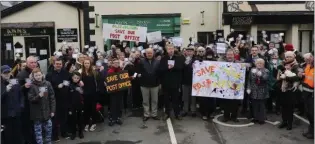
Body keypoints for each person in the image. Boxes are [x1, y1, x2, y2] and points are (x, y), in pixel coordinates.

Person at [45, 58, 71, 141]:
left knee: (64, 116)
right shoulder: (49, 74)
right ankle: (55, 135)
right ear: (54, 64)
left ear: (62, 64)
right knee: (55, 118)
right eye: (57, 64)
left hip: (64, 98)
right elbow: (47, 87)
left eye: (60, 64)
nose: (58, 65)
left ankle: (64, 133)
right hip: (54, 99)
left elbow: (70, 82)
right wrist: (56, 87)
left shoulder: (66, 73)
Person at [28, 68, 56, 144]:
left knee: (48, 131)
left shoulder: (48, 84)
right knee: (38, 133)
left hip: (47, 112)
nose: (38, 77)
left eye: (39, 75)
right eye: (36, 75)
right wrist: (38, 96)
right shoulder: (32, 86)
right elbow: (30, 99)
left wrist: (53, 110)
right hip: (37, 114)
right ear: (33, 76)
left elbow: (52, 98)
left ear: (42, 75)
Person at [16, 56, 38, 144]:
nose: (33, 64)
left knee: (34, 124)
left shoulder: (37, 72)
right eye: (31, 62)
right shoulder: (21, 74)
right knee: (27, 125)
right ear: (27, 63)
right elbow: (16, 90)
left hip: (36, 102)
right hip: (26, 104)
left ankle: (34, 140)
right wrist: (24, 87)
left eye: (34, 62)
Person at [159, 44, 184, 120]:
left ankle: (177, 114)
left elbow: (181, 67)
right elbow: (161, 69)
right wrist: (167, 67)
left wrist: (174, 67)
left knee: (175, 99)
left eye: (172, 48)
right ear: (166, 50)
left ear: (174, 49)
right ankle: (167, 113)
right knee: (166, 99)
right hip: (166, 83)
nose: (171, 50)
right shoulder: (163, 59)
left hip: (175, 83)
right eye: (169, 49)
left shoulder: (179, 58)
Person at [277, 51, 301, 130]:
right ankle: (284, 121)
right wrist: (280, 74)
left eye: (290, 56)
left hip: (291, 89)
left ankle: (289, 123)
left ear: (294, 57)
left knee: (290, 107)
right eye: (287, 57)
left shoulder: (297, 65)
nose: (288, 58)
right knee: (283, 106)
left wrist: (286, 77)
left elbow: (298, 78)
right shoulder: (283, 64)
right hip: (283, 88)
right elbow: (279, 75)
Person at [1, 65, 24, 144]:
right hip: (5, 115)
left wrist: (21, 105)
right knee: (8, 136)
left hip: (16, 113)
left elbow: (21, 95)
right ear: (1, 74)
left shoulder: (15, 81)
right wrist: (5, 91)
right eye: (5, 73)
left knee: (17, 134)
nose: (7, 74)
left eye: (8, 72)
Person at [138, 48, 161, 121]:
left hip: (155, 84)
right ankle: (146, 114)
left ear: (153, 53)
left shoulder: (158, 62)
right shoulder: (141, 61)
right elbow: (138, 72)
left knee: (155, 101)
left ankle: (154, 114)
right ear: (146, 54)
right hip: (144, 85)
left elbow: (159, 73)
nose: (149, 54)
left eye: (151, 53)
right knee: (145, 101)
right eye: (148, 53)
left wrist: (159, 83)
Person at [220, 49, 241, 122]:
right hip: (225, 86)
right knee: (226, 102)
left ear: (234, 55)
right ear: (226, 55)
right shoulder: (222, 63)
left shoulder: (239, 63)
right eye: (228, 55)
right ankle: (226, 116)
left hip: (236, 86)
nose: (229, 56)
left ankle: (234, 117)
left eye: (231, 55)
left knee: (235, 102)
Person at [247, 58, 269, 124]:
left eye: (261, 63)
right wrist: (248, 88)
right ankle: (256, 118)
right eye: (258, 63)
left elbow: (266, 78)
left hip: (262, 91)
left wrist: (261, 75)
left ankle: (262, 119)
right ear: (255, 64)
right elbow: (249, 80)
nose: (259, 64)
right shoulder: (252, 70)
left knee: (261, 106)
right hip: (254, 90)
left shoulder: (266, 70)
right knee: (255, 105)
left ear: (263, 64)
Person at [81, 58, 99, 132]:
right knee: (86, 109)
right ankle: (87, 124)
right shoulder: (81, 73)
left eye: (88, 63)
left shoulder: (94, 72)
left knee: (93, 109)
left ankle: (94, 123)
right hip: (85, 94)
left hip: (93, 93)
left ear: (90, 64)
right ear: (83, 64)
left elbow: (98, 81)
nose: (87, 64)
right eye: (85, 63)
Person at [300, 53, 314, 139]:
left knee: (312, 114)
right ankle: (310, 130)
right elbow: (305, 77)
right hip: (306, 93)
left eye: (308, 60)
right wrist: (301, 76)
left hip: (312, 94)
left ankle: (312, 133)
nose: (306, 61)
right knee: (308, 113)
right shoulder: (308, 66)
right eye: (305, 60)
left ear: (312, 57)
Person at [68, 72, 84, 140]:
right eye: (75, 78)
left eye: (78, 78)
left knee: (80, 119)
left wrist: (81, 88)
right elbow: (67, 97)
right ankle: (73, 133)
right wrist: (69, 108)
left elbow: (83, 93)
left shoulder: (80, 85)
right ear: (72, 78)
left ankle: (80, 132)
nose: (76, 79)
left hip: (80, 105)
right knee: (73, 119)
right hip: (72, 105)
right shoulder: (69, 85)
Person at [107, 58, 124, 126]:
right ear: (112, 64)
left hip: (119, 90)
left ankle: (118, 118)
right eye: (115, 63)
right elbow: (108, 81)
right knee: (113, 105)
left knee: (119, 104)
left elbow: (123, 79)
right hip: (113, 91)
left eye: (117, 62)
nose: (116, 64)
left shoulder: (121, 70)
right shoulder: (110, 71)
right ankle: (112, 118)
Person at [181, 46, 197, 117]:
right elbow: (181, 68)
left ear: (193, 52)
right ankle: (185, 110)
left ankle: (193, 111)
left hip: (194, 82)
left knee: (193, 98)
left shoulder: (196, 60)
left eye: (191, 51)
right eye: (188, 51)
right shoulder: (183, 60)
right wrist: (186, 62)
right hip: (185, 81)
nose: (189, 52)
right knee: (185, 97)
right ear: (186, 52)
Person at [267, 50, 282, 114]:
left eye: (276, 55)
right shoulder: (268, 62)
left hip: (278, 81)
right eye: (273, 55)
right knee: (270, 96)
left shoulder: (281, 62)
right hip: (270, 81)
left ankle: (277, 109)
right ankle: (269, 108)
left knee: (278, 97)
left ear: (278, 56)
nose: (274, 56)